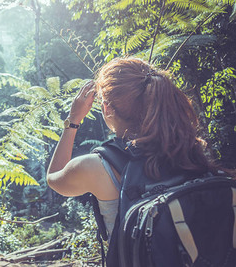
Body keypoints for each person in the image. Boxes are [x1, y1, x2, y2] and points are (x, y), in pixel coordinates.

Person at [46, 57, 215, 238]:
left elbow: (53, 178)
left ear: (107, 108)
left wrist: (73, 120)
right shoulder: (188, 148)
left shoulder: (94, 166)